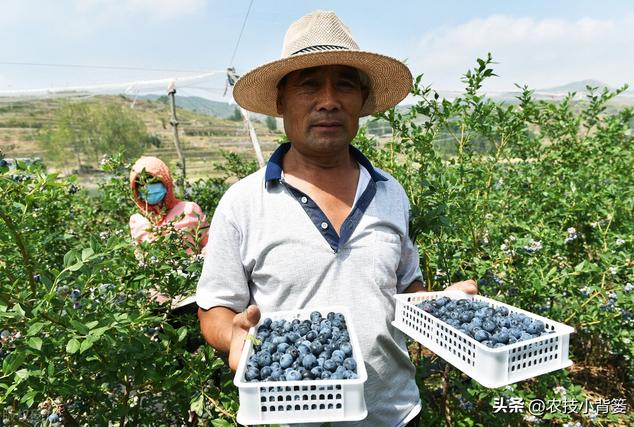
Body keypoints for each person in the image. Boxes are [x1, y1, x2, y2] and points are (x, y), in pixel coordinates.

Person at [196, 10, 477, 426]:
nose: (328, 100)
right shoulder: (243, 202)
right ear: (280, 101)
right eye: (309, 84)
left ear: (361, 102)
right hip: (284, 415)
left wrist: (440, 310)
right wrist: (232, 335)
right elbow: (216, 307)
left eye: (344, 84)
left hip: (392, 414)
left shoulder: (389, 192)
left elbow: (405, 289)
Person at [130, 156, 209, 309]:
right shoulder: (137, 220)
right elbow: (139, 256)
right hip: (157, 300)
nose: (148, 189)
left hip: (191, 293)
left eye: (153, 182)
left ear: (165, 181)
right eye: (142, 185)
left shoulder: (188, 210)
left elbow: (209, 242)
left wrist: (197, 262)